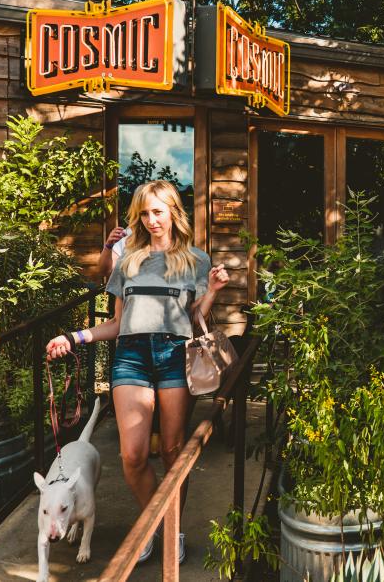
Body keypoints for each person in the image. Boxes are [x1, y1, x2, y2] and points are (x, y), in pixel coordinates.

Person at [46, 181, 230, 563]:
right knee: (132, 455)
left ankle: (169, 529)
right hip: (131, 355)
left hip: (174, 354)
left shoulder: (196, 259)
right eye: (144, 213)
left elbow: (196, 320)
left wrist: (211, 291)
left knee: (171, 451)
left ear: (173, 212)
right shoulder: (127, 257)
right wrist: (73, 336)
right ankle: (155, 524)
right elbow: (116, 323)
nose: (151, 220)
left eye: (158, 212)